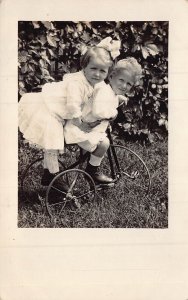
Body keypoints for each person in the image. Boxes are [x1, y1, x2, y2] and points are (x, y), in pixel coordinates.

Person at [18, 37, 121, 186]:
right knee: (52, 142)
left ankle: (51, 174)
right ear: (84, 66)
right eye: (93, 68)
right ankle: (52, 175)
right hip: (48, 109)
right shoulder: (77, 83)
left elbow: (103, 92)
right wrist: (80, 125)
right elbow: (73, 106)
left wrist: (118, 96)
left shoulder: (95, 82)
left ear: (107, 73)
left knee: (54, 140)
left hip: (58, 113)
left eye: (102, 71)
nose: (97, 74)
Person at [64, 57, 143, 185]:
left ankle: (89, 165)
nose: (124, 86)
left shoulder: (110, 91)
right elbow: (98, 111)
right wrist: (114, 113)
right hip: (81, 129)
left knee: (100, 142)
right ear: (111, 77)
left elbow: (111, 98)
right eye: (121, 80)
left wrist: (119, 98)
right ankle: (92, 171)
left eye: (129, 84)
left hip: (91, 129)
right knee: (104, 144)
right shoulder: (104, 92)